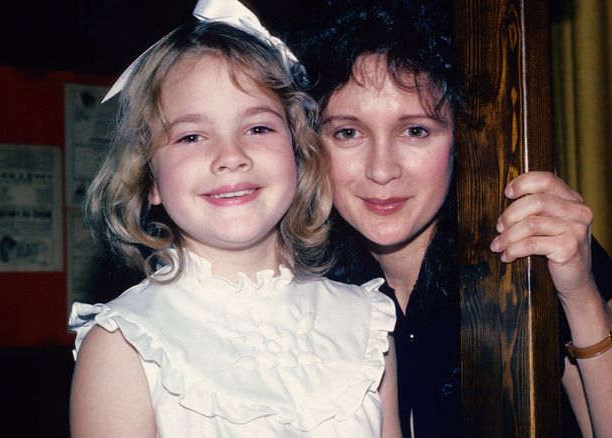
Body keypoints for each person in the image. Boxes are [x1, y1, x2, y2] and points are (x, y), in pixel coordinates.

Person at [285, 1, 612, 437]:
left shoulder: (524, 238)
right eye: (348, 132)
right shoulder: (292, 276)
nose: (382, 170)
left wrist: (581, 292)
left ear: (461, 139)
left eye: (415, 130)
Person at [68, 4, 401, 437]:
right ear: (148, 178)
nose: (230, 157)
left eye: (258, 128)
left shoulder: (369, 326)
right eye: (191, 136)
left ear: (299, 153)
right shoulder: (125, 345)